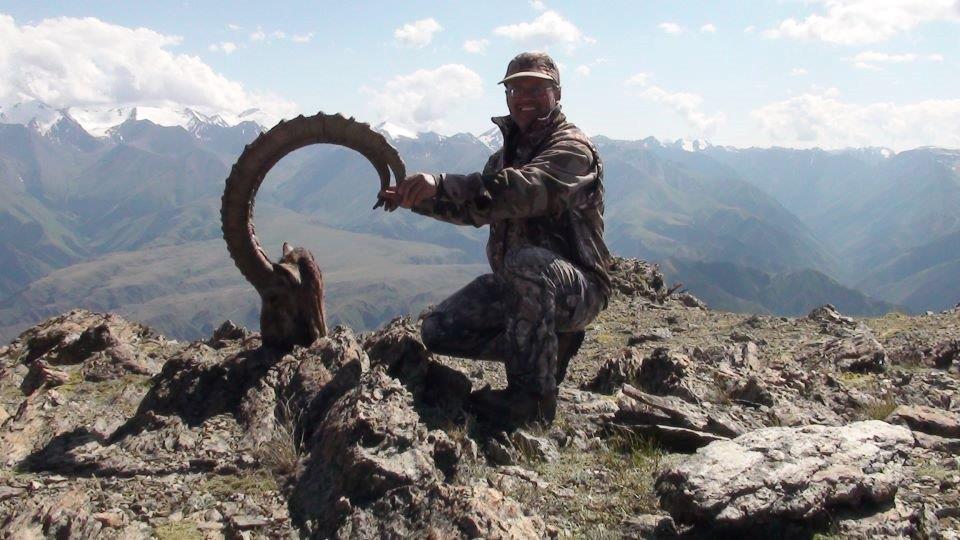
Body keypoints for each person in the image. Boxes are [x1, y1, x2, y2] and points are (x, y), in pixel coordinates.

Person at [379, 51, 610, 427]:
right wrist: (417, 201)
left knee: (524, 265)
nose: (524, 96)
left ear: (557, 93)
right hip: (520, 286)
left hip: (578, 289)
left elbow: (523, 190)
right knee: (437, 330)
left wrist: (440, 182)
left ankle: (531, 400)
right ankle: (546, 350)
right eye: (516, 88)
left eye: (536, 87)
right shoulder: (500, 160)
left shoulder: (572, 149)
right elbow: (475, 207)